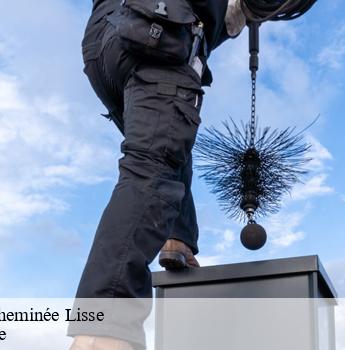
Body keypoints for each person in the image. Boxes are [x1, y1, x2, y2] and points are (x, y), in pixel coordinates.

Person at [68, 1, 246, 349]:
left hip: (104, 48)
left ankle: (177, 238)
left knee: (167, 141)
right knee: (153, 166)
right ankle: (104, 333)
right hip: (156, 32)